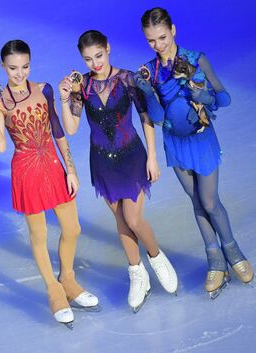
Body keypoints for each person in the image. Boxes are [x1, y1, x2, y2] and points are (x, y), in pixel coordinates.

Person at [138, 7, 254, 299]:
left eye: (162, 37)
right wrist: (149, 93)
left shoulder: (196, 59)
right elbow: (159, 118)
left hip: (202, 141)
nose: (158, 45)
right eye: (151, 40)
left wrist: (202, 95)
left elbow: (223, 97)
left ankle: (232, 250)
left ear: (173, 30)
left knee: (211, 201)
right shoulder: (150, 72)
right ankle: (215, 260)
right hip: (176, 144)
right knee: (197, 202)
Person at [59, 30, 177, 313]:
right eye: (88, 59)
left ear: (108, 49)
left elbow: (146, 117)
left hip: (132, 157)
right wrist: (65, 99)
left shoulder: (128, 78)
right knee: (121, 221)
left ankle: (157, 258)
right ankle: (137, 274)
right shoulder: (82, 86)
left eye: (98, 56)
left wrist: (152, 157)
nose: (95, 63)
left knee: (134, 219)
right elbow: (72, 129)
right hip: (101, 161)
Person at [0, 40, 98, 327]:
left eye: (24, 67)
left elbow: (58, 131)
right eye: (12, 68)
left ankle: (67, 279)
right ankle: (53, 289)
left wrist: (71, 170)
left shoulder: (44, 89)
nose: (19, 73)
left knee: (73, 228)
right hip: (26, 169)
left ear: (30, 64)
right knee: (39, 235)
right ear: (2, 67)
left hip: (52, 164)